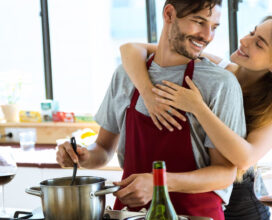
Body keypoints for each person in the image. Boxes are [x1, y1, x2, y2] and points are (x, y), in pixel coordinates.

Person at [56, 1, 246, 220]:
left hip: (195, 215)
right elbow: (103, 149)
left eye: (214, 27)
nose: (207, 35)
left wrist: (159, 182)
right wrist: (82, 156)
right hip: (130, 214)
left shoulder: (220, 83)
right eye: (198, 22)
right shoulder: (126, 74)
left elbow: (224, 173)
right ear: (169, 14)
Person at [119, 15, 272, 220]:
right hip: (199, 193)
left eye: (259, 43)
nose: (244, 41)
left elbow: (245, 159)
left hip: (242, 204)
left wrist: (198, 108)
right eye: (252, 32)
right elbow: (130, 49)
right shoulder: (217, 69)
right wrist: (148, 93)